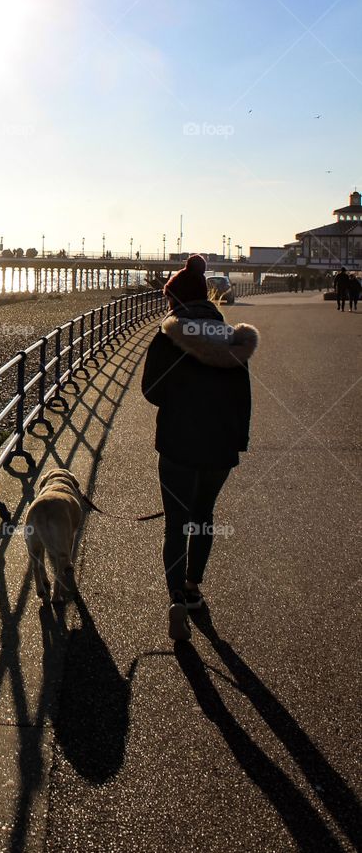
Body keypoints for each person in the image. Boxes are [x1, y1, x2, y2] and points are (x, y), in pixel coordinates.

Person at [141, 254, 259, 641]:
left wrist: (181, 395)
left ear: (174, 300)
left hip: (177, 443)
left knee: (175, 523)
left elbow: (152, 392)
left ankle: (175, 597)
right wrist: (237, 442)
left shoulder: (167, 338)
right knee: (204, 516)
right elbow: (243, 398)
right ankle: (193, 589)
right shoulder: (231, 339)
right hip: (219, 446)